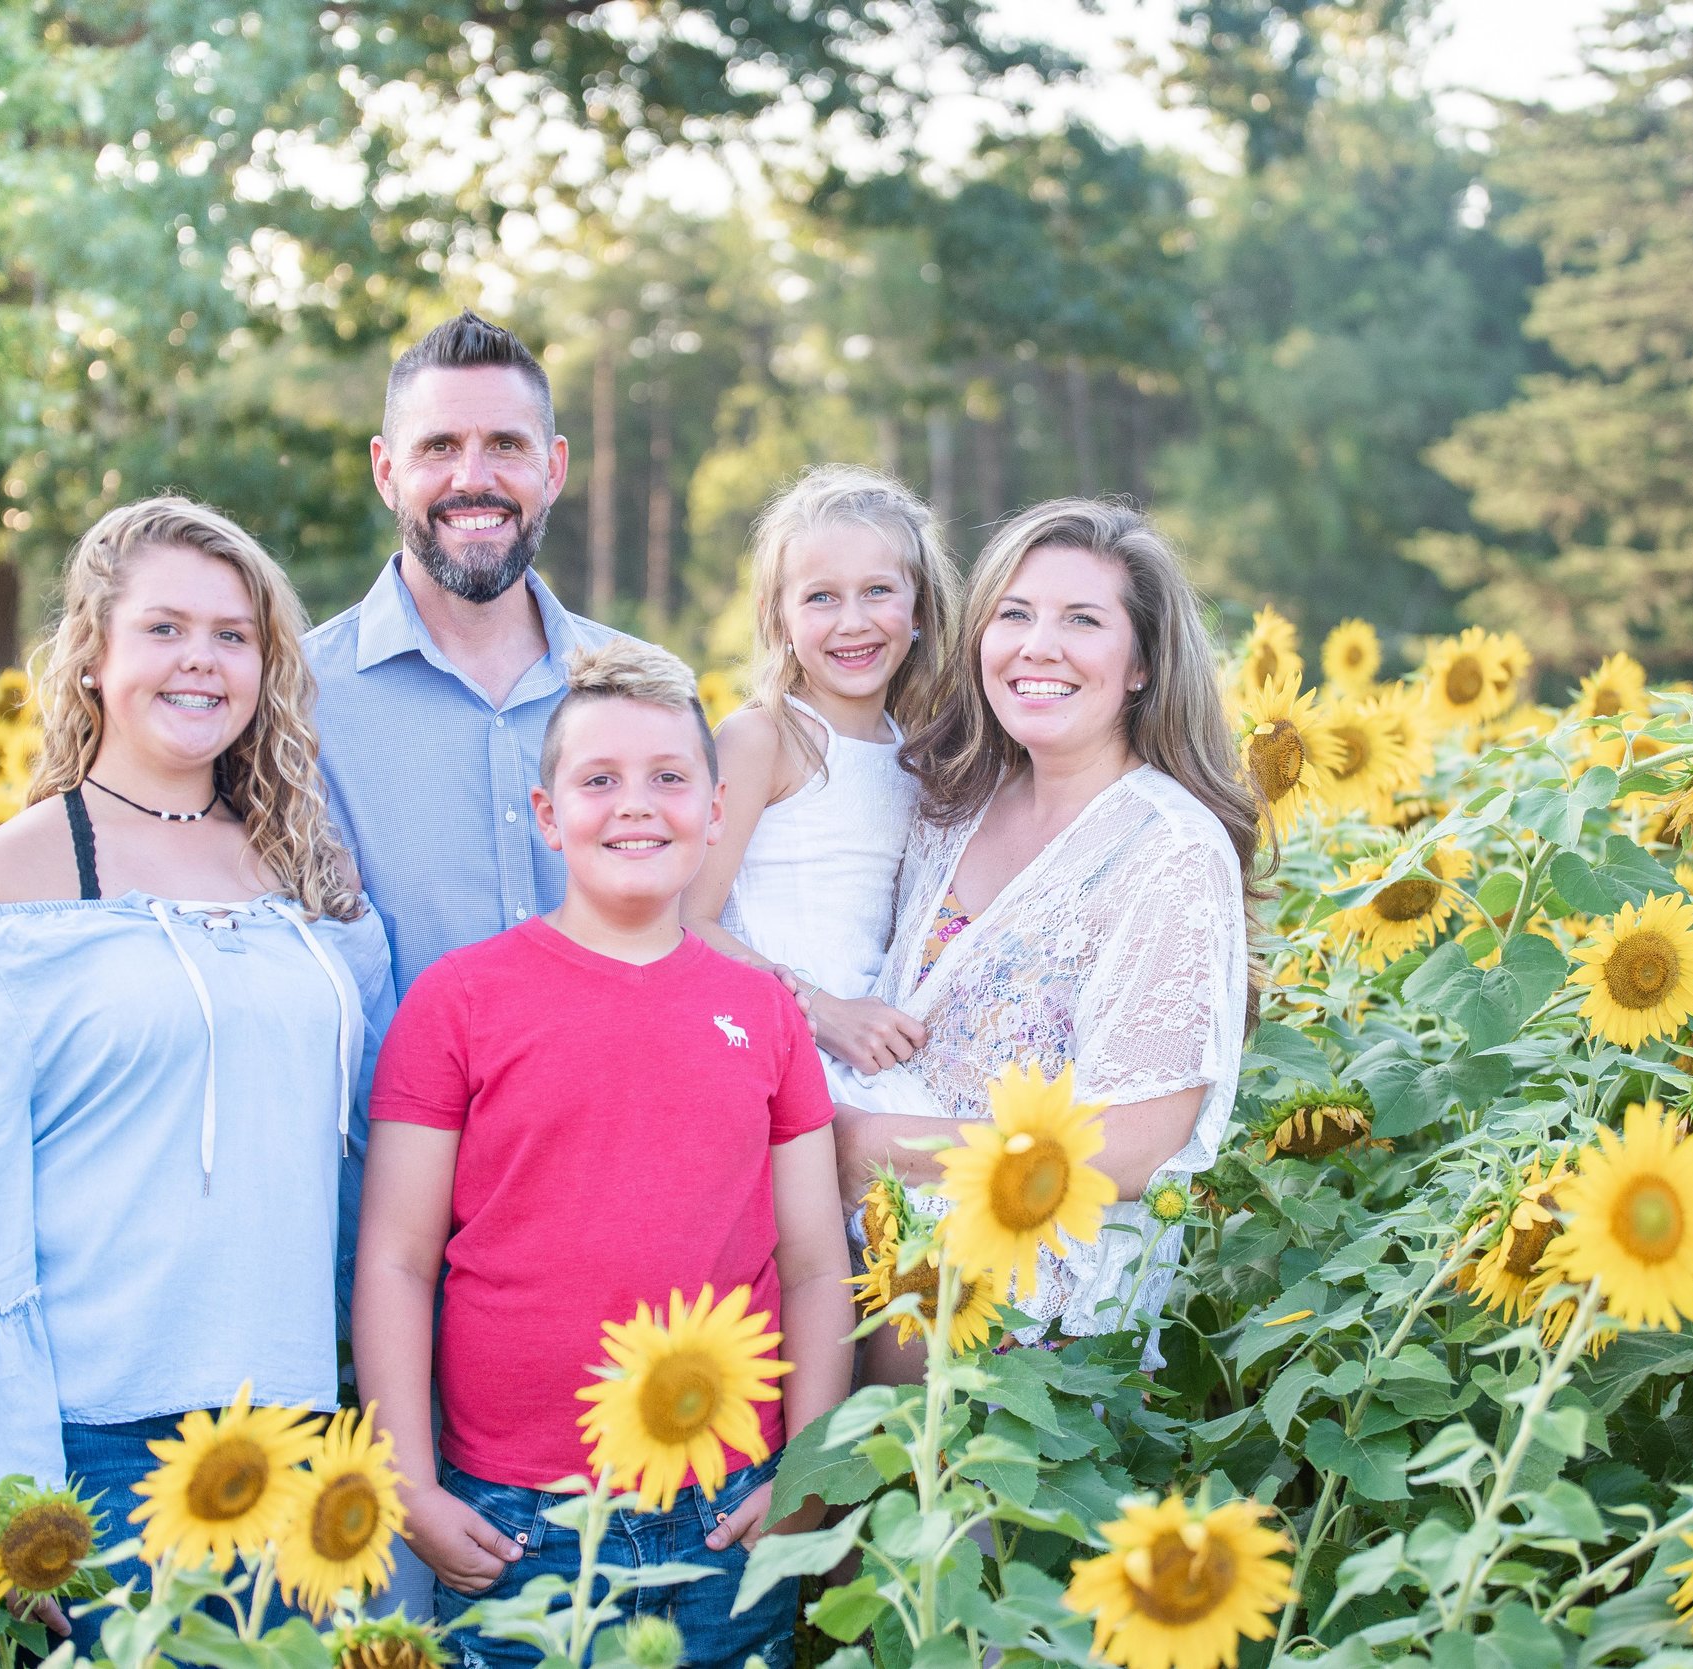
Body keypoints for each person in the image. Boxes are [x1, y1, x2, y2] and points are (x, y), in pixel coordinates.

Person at [0, 498, 394, 1643]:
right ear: (95, 656)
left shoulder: (303, 870)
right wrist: (11, 1506)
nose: (201, 660)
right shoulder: (10, 882)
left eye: (233, 633)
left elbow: (373, 1132)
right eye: (164, 628)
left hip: (296, 1436)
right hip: (100, 1447)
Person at [0, 308, 616, 1071]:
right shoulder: (274, 703)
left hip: (611, 1166)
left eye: (505, 446)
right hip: (363, 1181)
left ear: (554, 466)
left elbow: (705, 928)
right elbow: (139, 838)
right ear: (386, 470)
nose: (471, 478)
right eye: (440, 446)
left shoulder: (640, 694)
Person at [352, 641, 853, 1669]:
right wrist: (407, 1478)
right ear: (546, 814)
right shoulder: (460, 999)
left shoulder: (762, 1012)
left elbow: (810, 1262)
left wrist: (805, 1466)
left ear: (716, 814)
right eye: (598, 780)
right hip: (514, 1512)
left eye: (669, 778)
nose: (636, 804)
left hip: (721, 1509)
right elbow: (399, 1258)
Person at [833, 498, 1262, 1379]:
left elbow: (1135, 1144)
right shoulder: (955, 806)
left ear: (1141, 663)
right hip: (885, 1280)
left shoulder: (1169, 849)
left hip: (1038, 1344)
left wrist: (870, 1145)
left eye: (1082, 620)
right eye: (1015, 614)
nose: (1039, 646)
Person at [681, 466, 962, 1097]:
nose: (853, 622)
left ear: (919, 607)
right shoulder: (764, 738)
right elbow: (685, 920)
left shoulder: (915, 752)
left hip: (875, 1050)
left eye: (878, 591)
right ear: (776, 616)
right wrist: (823, 1011)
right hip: (777, 1044)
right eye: (821, 597)